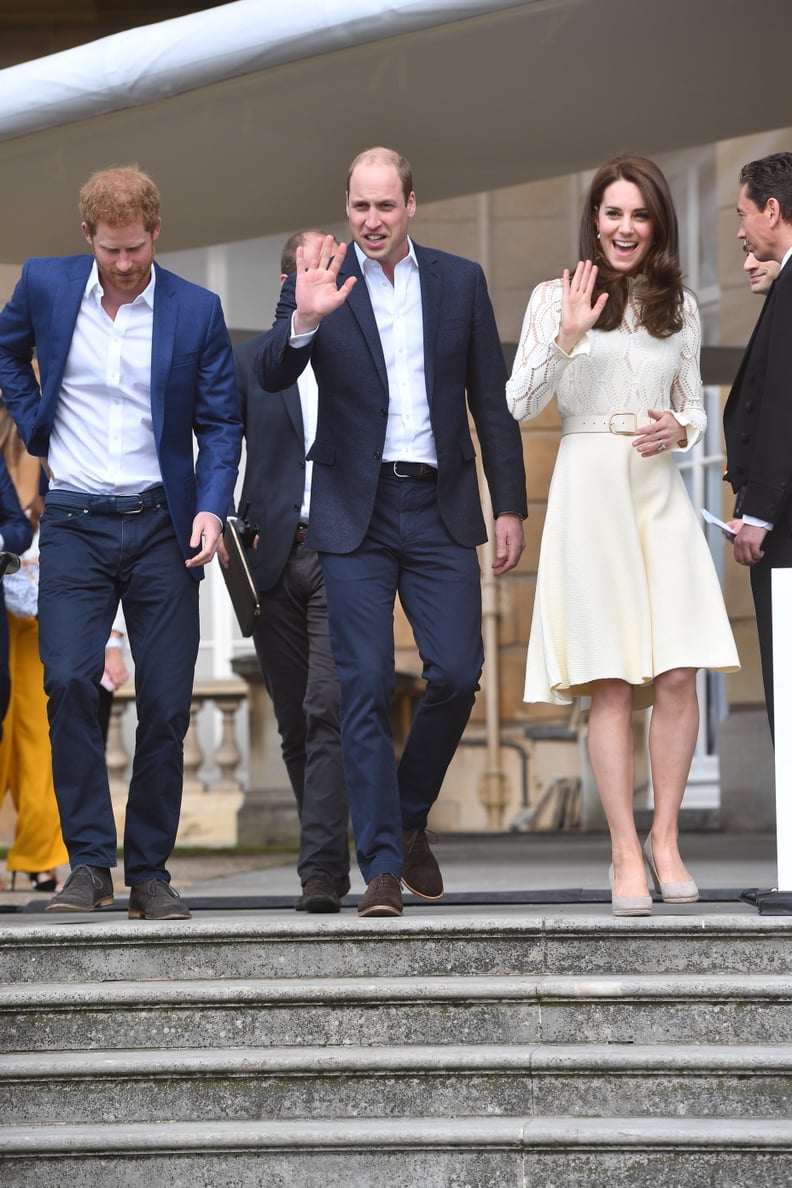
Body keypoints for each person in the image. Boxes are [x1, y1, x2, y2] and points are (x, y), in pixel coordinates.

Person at [257, 146, 527, 917]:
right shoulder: (319, 276)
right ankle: (379, 866)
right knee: (364, 688)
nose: (370, 221)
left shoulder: (459, 281)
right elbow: (272, 372)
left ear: (411, 204)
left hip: (439, 505)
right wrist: (305, 316)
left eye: (384, 206)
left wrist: (507, 504)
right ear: (348, 209)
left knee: (455, 672)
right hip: (354, 512)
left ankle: (408, 817)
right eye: (359, 207)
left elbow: (491, 402)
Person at [0, 165, 241, 919]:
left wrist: (210, 507)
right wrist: (33, 415)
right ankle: (89, 866)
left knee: (166, 703)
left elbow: (222, 422)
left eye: (136, 248)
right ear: (87, 239)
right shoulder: (45, 284)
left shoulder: (195, 310)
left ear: (156, 233)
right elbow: (6, 350)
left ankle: (151, 871)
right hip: (72, 520)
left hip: (162, 526)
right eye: (111, 251)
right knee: (68, 683)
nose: (125, 264)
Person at [506, 154, 739, 916]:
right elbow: (519, 402)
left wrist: (681, 425)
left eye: (639, 215)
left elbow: (695, 406)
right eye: (613, 213)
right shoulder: (554, 298)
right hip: (589, 490)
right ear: (593, 220)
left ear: (657, 224)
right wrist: (568, 335)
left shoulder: (681, 303)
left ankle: (665, 838)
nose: (625, 227)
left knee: (678, 671)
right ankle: (622, 852)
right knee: (610, 676)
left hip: (656, 494)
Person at [229, 230, 350, 913]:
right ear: (285, 279)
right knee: (295, 725)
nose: (314, 277)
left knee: (325, 708)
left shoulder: (352, 357)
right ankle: (328, 853)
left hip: (341, 552)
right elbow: (219, 443)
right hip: (269, 557)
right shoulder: (248, 362)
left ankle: (319, 869)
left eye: (326, 266)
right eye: (305, 266)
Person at [724, 153, 792, 741]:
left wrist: (759, 514)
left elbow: (782, 410)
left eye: (744, 214)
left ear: (773, 209)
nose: (741, 231)